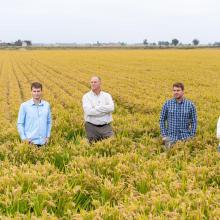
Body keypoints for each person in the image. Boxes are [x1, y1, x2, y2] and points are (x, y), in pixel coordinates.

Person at [160, 82, 197, 148]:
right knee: (168, 156)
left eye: (178, 90)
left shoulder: (190, 105)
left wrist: (191, 136)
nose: (176, 92)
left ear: (183, 91)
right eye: (174, 90)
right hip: (170, 138)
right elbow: (162, 120)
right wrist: (164, 135)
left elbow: (194, 122)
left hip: (185, 138)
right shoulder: (167, 104)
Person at [17, 82, 52, 147]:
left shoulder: (47, 105)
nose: (36, 93)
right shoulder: (24, 106)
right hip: (30, 143)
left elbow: (49, 122)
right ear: (31, 92)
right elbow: (20, 124)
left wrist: (48, 136)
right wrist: (24, 138)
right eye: (34, 91)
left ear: (41, 92)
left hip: (44, 142)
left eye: (38, 91)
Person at [82, 76, 114, 143]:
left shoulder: (107, 96)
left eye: (95, 82)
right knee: (92, 147)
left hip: (106, 127)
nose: (93, 84)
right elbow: (89, 112)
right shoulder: (86, 97)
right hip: (91, 127)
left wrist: (96, 108)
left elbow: (111, 108)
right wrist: (104, 109)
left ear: (100, 83)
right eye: (91, 82)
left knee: (112, 144)